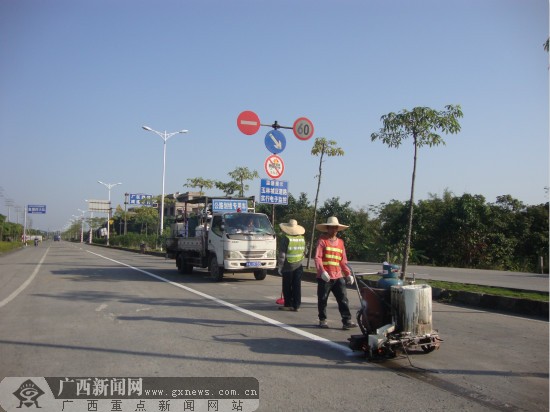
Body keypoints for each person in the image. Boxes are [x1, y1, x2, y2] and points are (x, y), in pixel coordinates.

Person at [314, 216, 357, 329]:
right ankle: (322, 320)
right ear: (327, 228)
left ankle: (346, 320)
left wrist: (348, 274)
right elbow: (318, 258)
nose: (334, 230)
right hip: (325, 277)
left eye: (335, 228)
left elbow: (343, 260)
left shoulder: (341, 243)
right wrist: (322, 271)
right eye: (331, 228)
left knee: (343, 299)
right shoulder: (322, 241)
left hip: (338, 276)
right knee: (322, 299)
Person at [277, 219, 306, 312]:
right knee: (297, 285)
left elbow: (282, 254)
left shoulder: (286, 238)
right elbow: (306, 251)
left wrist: (280, 267)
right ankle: (297, 305)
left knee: (287, 285)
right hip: (299, 265)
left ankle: (288, 304)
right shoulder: (302, 238)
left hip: (288, 266)